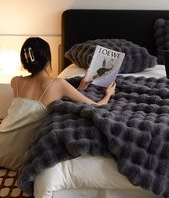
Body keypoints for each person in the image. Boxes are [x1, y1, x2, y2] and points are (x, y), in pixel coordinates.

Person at [0, 37, 116, 171]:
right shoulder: (58, 84)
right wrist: (108, 95)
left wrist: (80, 88)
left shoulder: (15, 82)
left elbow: (22, 114)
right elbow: (96, 106)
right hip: (18, 158)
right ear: (48, 61)